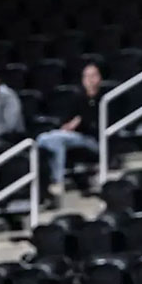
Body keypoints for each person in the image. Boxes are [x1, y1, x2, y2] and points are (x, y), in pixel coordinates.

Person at [36, 62, 104, 197]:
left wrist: (79, 122)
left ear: (100, 78)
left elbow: (94, 123)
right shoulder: (78, 98)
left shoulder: (104, 99)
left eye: (93, 75)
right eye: (86, 76)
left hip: (92, 139)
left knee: (56, 139)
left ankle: (57, 181)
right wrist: (71, 124)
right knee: (44, 138)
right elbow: (67, 120)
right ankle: (49, 181)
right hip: (73, 136)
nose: (90, 80)